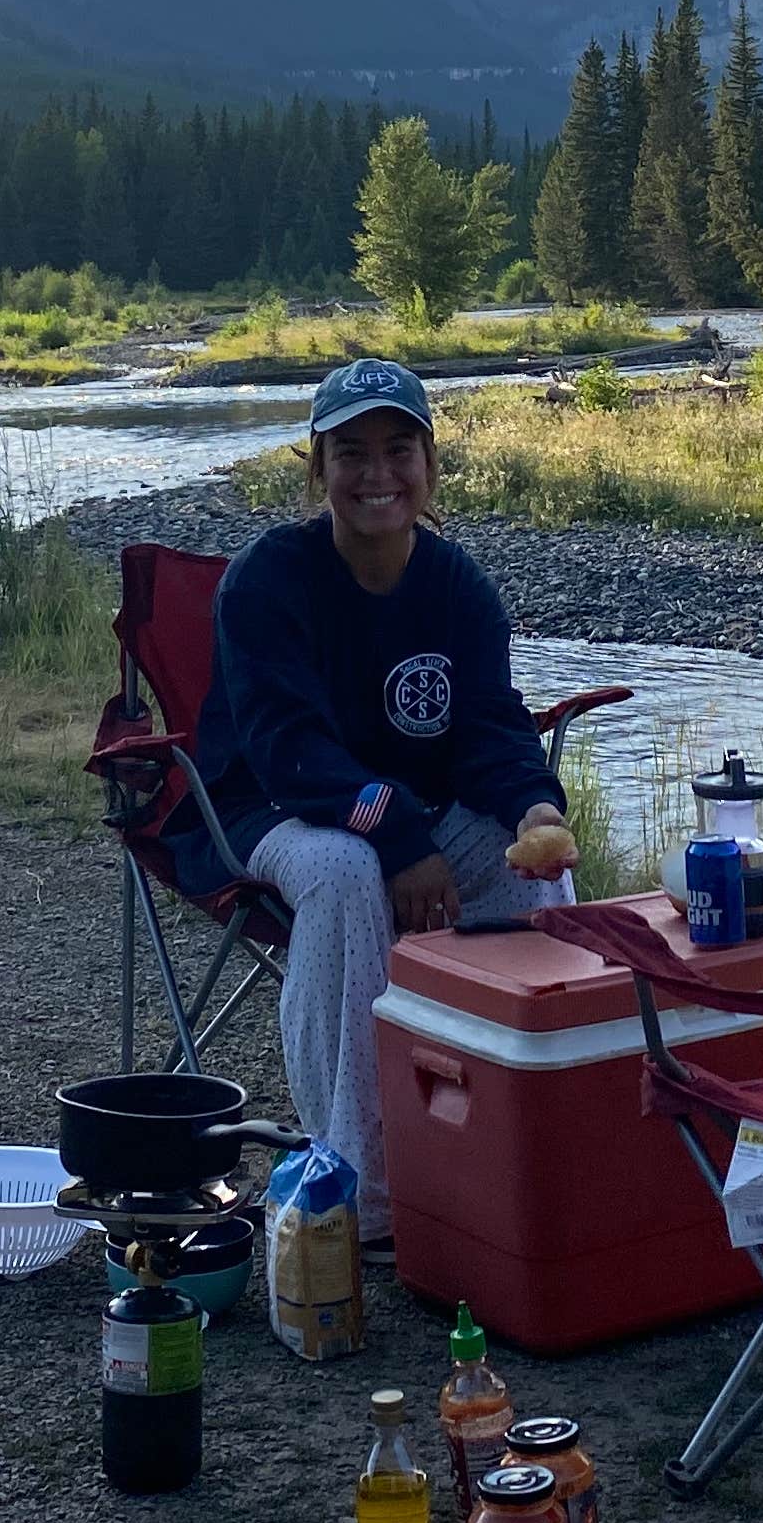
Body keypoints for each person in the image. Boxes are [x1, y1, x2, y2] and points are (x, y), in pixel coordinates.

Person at [183, 357, 575, 1239]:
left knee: (533, 874)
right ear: (317, 469)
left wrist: (533, 806)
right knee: (346, 867)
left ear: (430, 466)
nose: (376, 475)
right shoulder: (266, 581)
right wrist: (400, 833)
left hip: (412, 817)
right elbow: (288, 752)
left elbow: (488, 725)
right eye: (350, 453)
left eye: (399, 450)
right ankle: (356, 1182)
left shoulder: (455, 586)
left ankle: (525, 1139)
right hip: (270, 814)